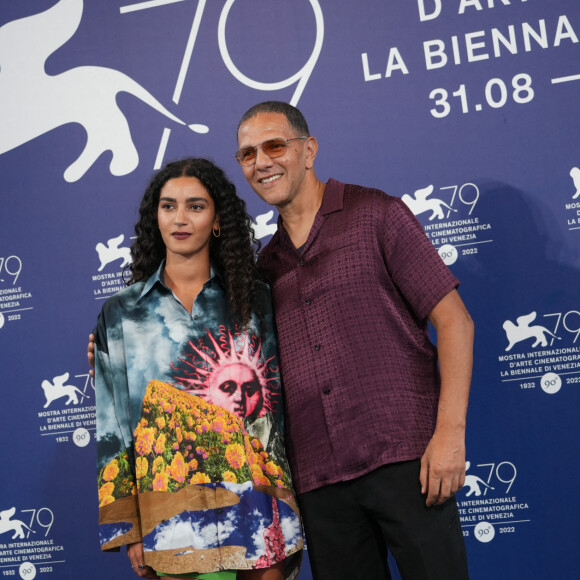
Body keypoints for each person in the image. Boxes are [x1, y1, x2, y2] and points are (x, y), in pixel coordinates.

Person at [234, 101, 474, 579]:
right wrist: (117, 350)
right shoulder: (262, 269)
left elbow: (455, 322)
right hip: (319, 483)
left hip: (408, 461)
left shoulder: (376, 214)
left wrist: (450, 435)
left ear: (308, 150)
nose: (262, 162)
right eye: (247, 154)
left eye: (274, 145)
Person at [93, 158, 303, 580]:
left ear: (217, 219)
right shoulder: (121, 313)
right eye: (168, 206)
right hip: (169, 517)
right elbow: (112, 425)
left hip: (259, 507)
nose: (180, 218)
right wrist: (129, 526)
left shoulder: (257, 299)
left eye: (196, 206)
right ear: (156, 218)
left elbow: (280, 407)